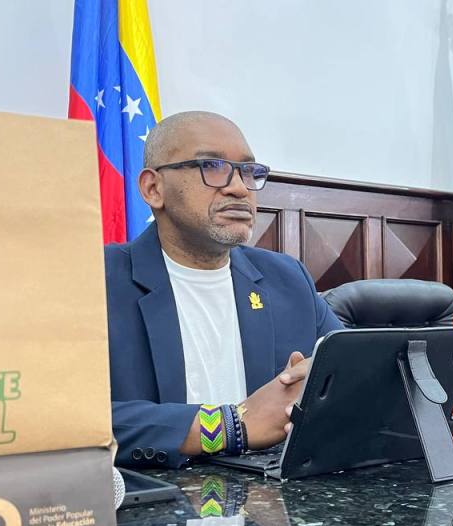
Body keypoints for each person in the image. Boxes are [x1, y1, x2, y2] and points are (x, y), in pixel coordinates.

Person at [105, 111, 344, 468]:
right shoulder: (96, 280)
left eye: (248, 171)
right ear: (154, 188)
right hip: (150, 492)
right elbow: (61, 418)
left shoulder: (287, 278)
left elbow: (357, 376)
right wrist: (228, 427)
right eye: (212, 166)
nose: (239, 188)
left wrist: (325, 384)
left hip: (270, 493)